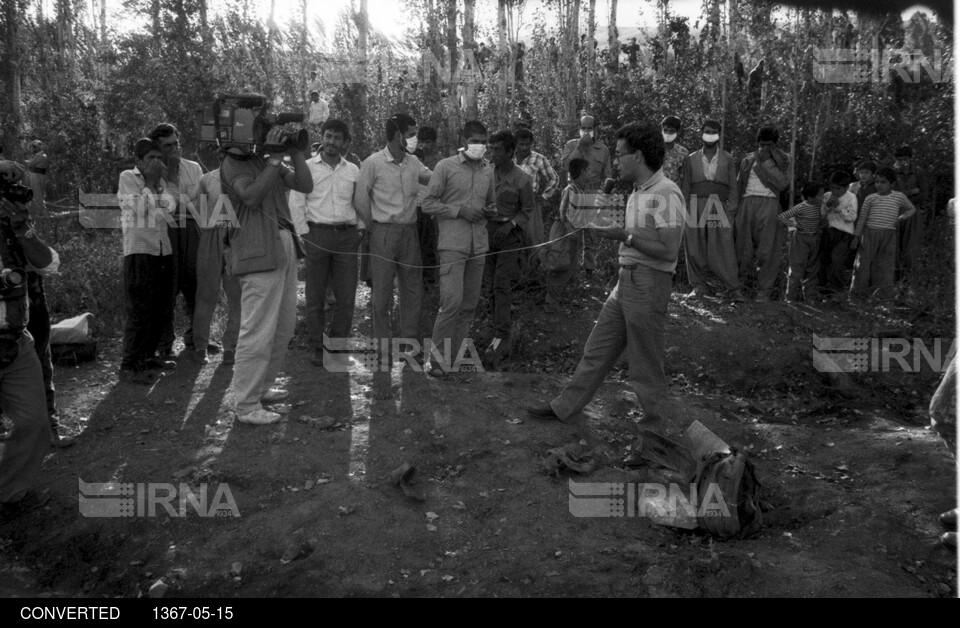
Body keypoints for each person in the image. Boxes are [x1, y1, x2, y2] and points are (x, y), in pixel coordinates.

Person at [526, 121, 685, 438]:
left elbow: (668, 251)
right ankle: (564, 407)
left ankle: (654, 437)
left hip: (649, 284)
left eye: (620, 154)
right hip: (626, 281)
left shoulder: (667, 192)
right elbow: (626, 234)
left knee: (645, 367)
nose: (615, 161)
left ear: (637, 156)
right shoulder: (639, 192)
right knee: (596, 350)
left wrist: (624, 235)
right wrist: (609, 229)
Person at [220, 108, 313, 425]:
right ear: (244, 131)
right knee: (257, 330)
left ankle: (260, 389)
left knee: (283, 327)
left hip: (283, 246)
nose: (267, 133)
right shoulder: (233, 164)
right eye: (262, 128)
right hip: (256, 250)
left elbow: (304, 184)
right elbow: (251, 198)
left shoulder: (265, 159)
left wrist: (295, 152)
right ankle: (246, 405)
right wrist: (274, 160)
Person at [0, 160, 60, 518]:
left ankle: (8, 493)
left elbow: (48, 263)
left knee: (34, 424)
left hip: (14, 341)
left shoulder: (13, 227)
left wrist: (22, 229)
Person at [353, 113, 433, 369]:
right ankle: (383, 351)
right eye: (410, 133)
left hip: (410, 232)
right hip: (382, 233)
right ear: (397, 134)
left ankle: (410, 349)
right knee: (382, 295)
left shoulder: (413, 163)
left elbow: (432, 179)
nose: (414, 138)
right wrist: (371, 227)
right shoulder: (373, 163)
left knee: (412, 293)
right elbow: (360, 199)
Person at [422, 120, 496, 377]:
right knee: (451, 303)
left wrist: (490, 211)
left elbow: (491, 203)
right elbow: (428, 204)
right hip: (453, 244)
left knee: (468, 306)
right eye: (475, 140)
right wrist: (459, 211)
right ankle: (437, 361)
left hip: (479, 246)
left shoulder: (488, 171)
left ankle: (452, 361)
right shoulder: (445, 167)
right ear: (463, 141)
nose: (479, 146)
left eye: (483, 141)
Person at [289, 119, 363, 368]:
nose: (332, 142)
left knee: (346, 296)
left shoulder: (353, 170)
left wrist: (360, 231)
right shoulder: (306, 167)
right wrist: (305, 235)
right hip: (317, 236)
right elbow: (296, 203)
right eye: (328, 136)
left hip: (346, 237)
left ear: (345, 142)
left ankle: (338, 348)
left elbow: (359, 203)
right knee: (315, 296)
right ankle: (317, 349)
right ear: (321, 137)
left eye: (337, 138)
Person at [117, 139, 177, 385]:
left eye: (158, 158)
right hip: (139, 251)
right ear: (139, 161)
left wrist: (158, 187)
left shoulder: (161, 182)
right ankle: (130, 364)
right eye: (151, 158)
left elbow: (168, 211)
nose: (156, 162)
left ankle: (148, 356)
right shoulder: (128, 178)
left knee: (160, 307)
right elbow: (139, 210)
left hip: (162, 249)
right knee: (139, 309)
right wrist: (151, 185)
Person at [149, 123, 206, 358]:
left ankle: (197, 337)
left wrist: (184, 207)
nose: (174, 149)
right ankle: (165, 345)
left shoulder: (193, 168)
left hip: (192, 232)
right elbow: (165, 207)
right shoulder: (152, 172)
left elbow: (204, 204)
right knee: (166, 287)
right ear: (158, 148)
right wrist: (171, 173)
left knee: (195, 285)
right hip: (165, 232)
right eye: (167, 145)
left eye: (176, 143)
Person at [482, 130, 534, 368]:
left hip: (509, 236)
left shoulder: (523, 179)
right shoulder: (485, 173)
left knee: (501, 284)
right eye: (490, 148)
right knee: (489, 286)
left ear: (511, 152)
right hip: (486, 233)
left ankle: (503, 339)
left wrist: (511, 224)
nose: (492, 153)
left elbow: (527, 211)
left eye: (498, 149)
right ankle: (495, 331)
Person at [679, 119, 743, 300]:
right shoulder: (691, 158)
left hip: (717, 206)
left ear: (719, 135)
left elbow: (733, 186)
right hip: (695, 204)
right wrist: (685, 208)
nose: (710, 135)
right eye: (707, 131)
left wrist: (731, 211)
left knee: (722, 246)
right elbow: (685, 186)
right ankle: (698, 287)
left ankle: (733, 288)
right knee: (694, 246)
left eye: (714, 132)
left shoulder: (727, 158)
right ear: (701, 133)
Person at [190, 152, 242, 367]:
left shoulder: (245, 178)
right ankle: (201, 346)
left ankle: (231, 347)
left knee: (238, 297)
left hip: (238, 236)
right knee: (206, 294)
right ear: (220, 155)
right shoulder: (207, 179)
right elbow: (198, 212)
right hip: (212, 236)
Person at [736, 125, 791, 301]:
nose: (764, 148)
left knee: (768, 250)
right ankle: (737, 288)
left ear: (775, 143)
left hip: (769, 204)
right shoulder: (748, 159)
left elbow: (783, 184)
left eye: (768, 144)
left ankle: (763, 291)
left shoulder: (785, 160)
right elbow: (739, 185)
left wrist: (767, 162)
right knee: (741, 249)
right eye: (762, 144)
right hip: (746, 203)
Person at [849, 167, 916, 301]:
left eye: (883, 182)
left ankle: (882, 298)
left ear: (892, 184)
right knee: (863, 266)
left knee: (885, 266)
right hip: (869, 235)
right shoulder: (870, 198)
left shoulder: (899, 196)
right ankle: (856, 297)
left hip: (888, 236)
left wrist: (901, 218)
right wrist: (856, 237)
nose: (879, 185)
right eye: (877, 182)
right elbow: (862, 218)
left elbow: (911, 209)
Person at [560, 115, 612, 274]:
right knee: (572, 233)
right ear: (579, 129)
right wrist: (579, 148)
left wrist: (605, 196)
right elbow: (565, 166)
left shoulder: (603, 149)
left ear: (595, 130)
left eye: (590, 128)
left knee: (591, 235)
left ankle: (589, 270)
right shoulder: (571, 145)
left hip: (593, 194)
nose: (586, 131)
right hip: (574, 193)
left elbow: (607, 175)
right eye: (584, 128)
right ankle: (570, 271)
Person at [544, 158, 589, 313]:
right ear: (582, 172)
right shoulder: (569, 189)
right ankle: (550, 303)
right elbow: (563, 212)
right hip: (564, 231)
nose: (589, 174)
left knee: (570, 266)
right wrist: (569, 228)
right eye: (587, 170)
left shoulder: (581, 190)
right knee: (560, 264)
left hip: (575, 232)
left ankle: (557, 299)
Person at [778, 180, 825, 302]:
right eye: (820, 195)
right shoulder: (801, 207)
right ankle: (789, 298)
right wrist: (794, 225)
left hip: (815, 238)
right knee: (796, 269)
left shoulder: (821, 206)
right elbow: (782, 216)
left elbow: (824, 217)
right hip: (800, 239)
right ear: (810, 197)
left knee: (812, 269)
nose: (822, 197)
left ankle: (809, 297)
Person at [514, 127, 558, 248]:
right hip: (510, 203)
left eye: (527, 144)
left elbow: (553, 178)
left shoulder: (538, 159)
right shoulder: (509, 158)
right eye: (521, 144)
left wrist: (543, 196)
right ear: (515, 143)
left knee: (533, 239)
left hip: (530, 203)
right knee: (513, 238)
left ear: (531, 144)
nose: (524, 147)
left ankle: (535, 265)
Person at [817, 171, 858, 299]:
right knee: (824, 259)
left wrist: (839, 207)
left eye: (838, 188)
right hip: (828, 232)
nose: (834, 191)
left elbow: (852, 217)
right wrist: (827, 207)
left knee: (837, 260)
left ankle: (835, 289)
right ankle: (823, 289)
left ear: (846, 187)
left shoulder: (851, 197)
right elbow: (822, 213)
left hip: (844, 233)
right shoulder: (827, 195)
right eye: (832, 187)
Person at [892, 145, 928, 279]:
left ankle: (910, 280)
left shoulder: (918, 172)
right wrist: (911, 192)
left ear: (911, 159)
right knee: (895, 246)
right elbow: (892, 194)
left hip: (913, 212)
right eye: (899, 159)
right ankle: (895, 279)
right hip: (896, 212)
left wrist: (906, 196)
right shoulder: (893, 174)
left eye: (905, 159)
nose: (903, 162)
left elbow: (924, 194)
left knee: (911, 247)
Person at [415, 126, 441, 286]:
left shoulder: (440, 162)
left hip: (431, 210)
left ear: (434, 143)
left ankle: (430, 279)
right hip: (414, 208)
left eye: (428, 142)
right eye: (421, 142)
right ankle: (415, 277)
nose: (424, 146)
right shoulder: (412, 160)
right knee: (414, 244)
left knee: (430, 243)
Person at [660, 115, 688, 184]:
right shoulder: (652, 149)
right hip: (654, 192)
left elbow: (684, 178)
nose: (668, 134)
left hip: (673, 191)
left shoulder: (683, 152)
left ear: (677, 132)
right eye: (665, 130)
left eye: (671, 131)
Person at [25, 140, 48, 209]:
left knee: (36, 193)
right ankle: (42, 210)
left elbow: (30, 164)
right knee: (40, 193)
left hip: (37, 175)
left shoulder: (39, 155)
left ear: (36, 148)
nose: (31, 149)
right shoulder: (43, 155)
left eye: (32, 147)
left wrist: (28, 161)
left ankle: (40, 211)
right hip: (40, 175)